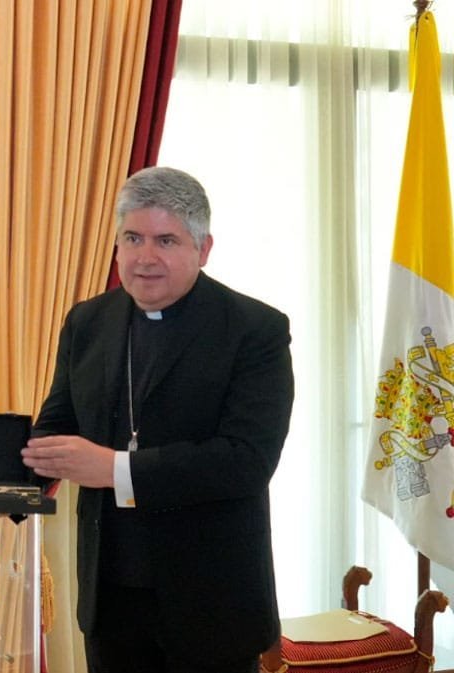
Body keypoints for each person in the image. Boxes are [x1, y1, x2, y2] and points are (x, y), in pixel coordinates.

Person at [22, 167, 294, 673]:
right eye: (133, 238)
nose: (145, 257)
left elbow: (245, 461)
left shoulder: (255, 330)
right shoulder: (87, 321)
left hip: (212, 603)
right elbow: (55, 428)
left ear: (203, 248)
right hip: (112, 600)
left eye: (166, 240)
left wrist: (116, 470)